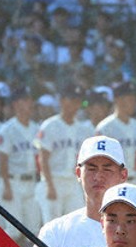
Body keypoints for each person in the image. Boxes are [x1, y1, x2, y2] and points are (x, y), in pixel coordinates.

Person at [37, 84, 96, 224]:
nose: (74, 104)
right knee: (52, 224)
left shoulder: (83, 129)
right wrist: (49, 185)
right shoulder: (49, 125)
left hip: (73, 182)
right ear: (62, 101)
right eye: (71, 99)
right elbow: (43, 159)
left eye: (77, 101)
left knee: (77, 223)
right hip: (53, 180)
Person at [0, 86, 42, 240]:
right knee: (13, 231)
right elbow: (2, 160)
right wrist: (6, 186)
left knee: (34, 229)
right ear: (15, 104)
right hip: (13, 182)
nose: (28, 104)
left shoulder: (36, 128)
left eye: (29, 100)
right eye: (24, 100)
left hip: (31, 182)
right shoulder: (7, 129)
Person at [96, 81, 136, 185]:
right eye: (130, 99)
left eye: (134, 99)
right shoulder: (105, 127)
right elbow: (99, 160)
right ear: (118, 100)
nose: (134, 103)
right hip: (114, 183)